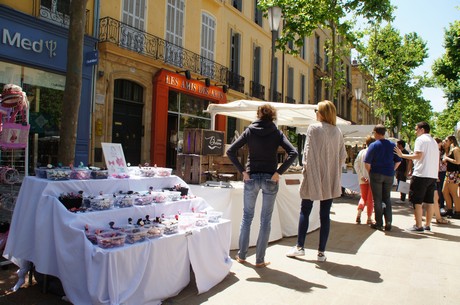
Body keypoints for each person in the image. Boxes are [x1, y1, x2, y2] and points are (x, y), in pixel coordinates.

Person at [226, 103, 298, 267]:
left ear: (258, 115)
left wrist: (242, 171)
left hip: (251, 177)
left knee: (247, 217)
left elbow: (231, 151)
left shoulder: (250, 130)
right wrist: (279, 172)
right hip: (270, 179)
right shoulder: (276, 132)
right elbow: (293, 152)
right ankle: (259, 260)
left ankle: (242, 255)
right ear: (272, 116)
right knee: (265, 220)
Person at [286, 100, 346, 262]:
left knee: (305, 210)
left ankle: (300, 247)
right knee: (325, 215)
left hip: (313, 175)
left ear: (322, 113)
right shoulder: (337, 131)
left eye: (316, 110)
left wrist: (307, 171)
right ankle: (321, 253)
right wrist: (332, 170)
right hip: (330, 178)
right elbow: (342, 156)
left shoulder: (314, 128)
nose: (315, 113)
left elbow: (307, 153)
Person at [394, 121, 439, 232]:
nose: (415, 132)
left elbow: (418, 155)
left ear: (422, 130)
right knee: (429, 201)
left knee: (417, 201)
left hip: (421, 174)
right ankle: (427, 225)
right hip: (432, 175)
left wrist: (402, 155)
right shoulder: (433, 141)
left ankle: (418, 225)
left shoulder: (421, 140)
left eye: (416, 129)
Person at [364, 125, 401, 231]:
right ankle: (388, 221)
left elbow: (367, 163)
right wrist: (392, 170)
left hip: (376, 173)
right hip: (389, 174)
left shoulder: (373, 145)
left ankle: (379, 223)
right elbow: (398, 160)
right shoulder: (392, 145)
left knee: (378, 199)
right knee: (387, 198)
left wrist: (370, 172)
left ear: (376, 133)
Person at [354, 135, 375, 225]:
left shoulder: (361, 152)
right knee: (370, 199)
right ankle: (369, 218)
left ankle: (359, 212)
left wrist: (361, 175)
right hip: (371, 178)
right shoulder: (374, 152)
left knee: (363, 197)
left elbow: (356, 164)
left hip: (362, 178)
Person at [442, 135, 460, 218]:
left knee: (453, 193)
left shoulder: (456, 149)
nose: (445, 142)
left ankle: (457, 211)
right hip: (449, 173)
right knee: (444, 191)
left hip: (454, 173)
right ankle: (449, 210)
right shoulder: (450, 150)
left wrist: (447, 158)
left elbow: (458, 162)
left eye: (446, 140)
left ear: (451, 141)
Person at [435, 138, 447, 215]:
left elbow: (438, 164)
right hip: (439, 172)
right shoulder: (437, 151)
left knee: (440, 189)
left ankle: (441, 205)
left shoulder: (441, 151)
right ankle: (439, 205)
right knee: (437, 189)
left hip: (441, 172)